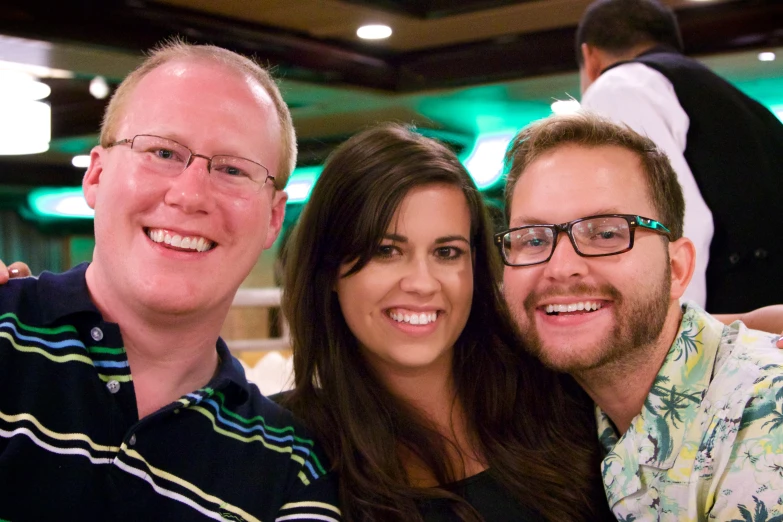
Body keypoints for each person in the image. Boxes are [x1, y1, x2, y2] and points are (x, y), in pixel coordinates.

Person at [0, 40, 340, 521]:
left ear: (273, 218)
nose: (189, 195)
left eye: (232, 169)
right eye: (161, 151)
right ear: (95, 176)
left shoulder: (290, 468)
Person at [279, 123, 613, 521]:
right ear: (330, 269)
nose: (422, 283)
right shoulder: (286, 449)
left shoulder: (561, 396)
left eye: (447, 252)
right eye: (386, 250)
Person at [499, 111, 783, 520]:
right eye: (533, 238)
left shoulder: (762, 420)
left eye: (606, 233)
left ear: (678, 269)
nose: (560, 267)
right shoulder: (549, 397)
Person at [576, 0, 783, 313]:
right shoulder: (746, 106)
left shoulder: (618, 86)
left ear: (589, 57)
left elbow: (677, 224)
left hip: (720, 338)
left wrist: (679, 344)